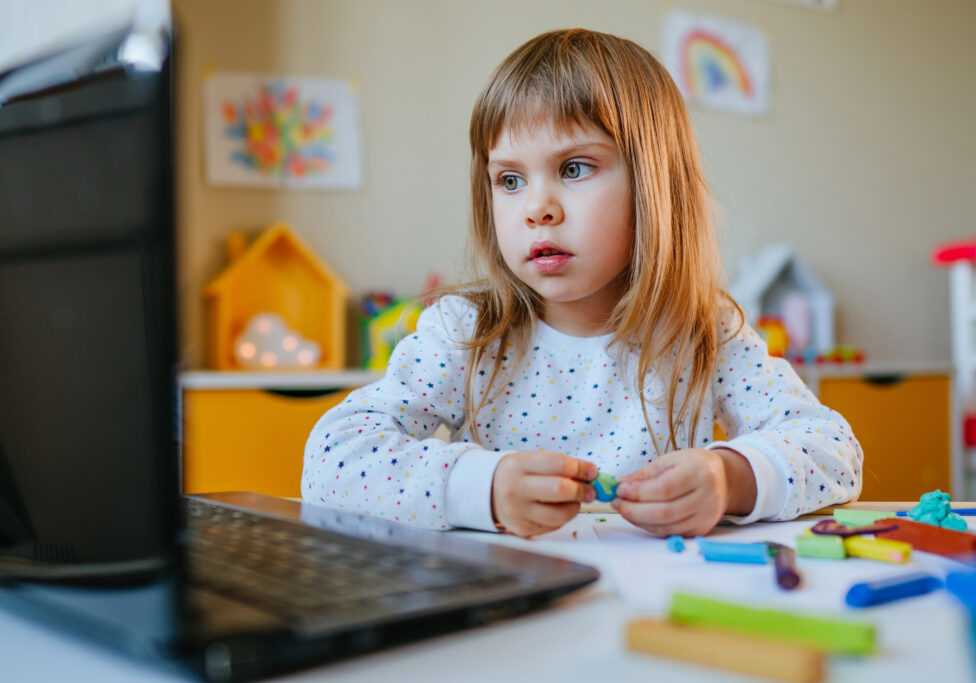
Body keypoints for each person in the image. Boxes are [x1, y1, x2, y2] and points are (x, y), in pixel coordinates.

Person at [303, 28, 862, 538]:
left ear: (653, 187)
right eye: (510, 180)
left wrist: (730, 477)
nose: (537, 208)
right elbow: (331, 458)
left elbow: (834, 450)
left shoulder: (704, 330)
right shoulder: (467, 331)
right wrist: (482, 487)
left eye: (574, 168)